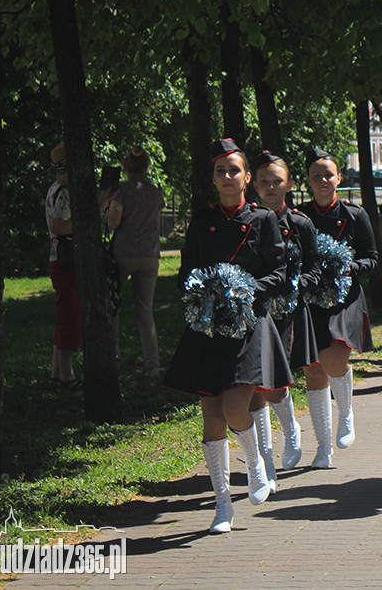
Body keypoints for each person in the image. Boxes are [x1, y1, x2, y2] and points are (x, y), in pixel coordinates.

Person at [162, 138, 292, 533]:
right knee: (212, 416)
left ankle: (254, 463)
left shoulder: (263, 220)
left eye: (234, 170)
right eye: (220, 171)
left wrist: (246, 289)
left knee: (238, 404)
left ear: (247, 177)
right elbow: (187, 271)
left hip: (250, 322)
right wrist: (201, 292)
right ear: (213, 178)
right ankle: (222, 506)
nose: (228, 177)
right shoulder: (202, 221)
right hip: (209, 325)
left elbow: (280, 273)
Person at [247, 151, 322, 486]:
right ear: (254, 185)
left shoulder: (301, 223)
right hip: (257, 310)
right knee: (256, 385)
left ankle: (290, 426)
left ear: (290, 184)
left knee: (277, 380)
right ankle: (265, 463)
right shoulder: (248, 220)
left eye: (277, 181)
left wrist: (295, 287)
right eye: (264, 182)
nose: (271, 187)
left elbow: (314, 268)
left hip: (289, 310)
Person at [299, 148, 378, 464]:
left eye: (328, 175)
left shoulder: (354, 214)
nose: (322, 181)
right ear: (307, 181)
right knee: (313, 370)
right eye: (316, 176)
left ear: (339, 178)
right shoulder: (299, 216)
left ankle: (345, 412)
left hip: (345, 297)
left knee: (333, 357)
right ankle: (322, 447)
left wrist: (346, 267)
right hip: (309, 299)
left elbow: (371, 258)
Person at [105, 147, 165, 376]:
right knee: (145, 311)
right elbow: (158, 226)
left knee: (114, 306)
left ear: (125, 167)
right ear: (147, 168)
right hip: (150, 256)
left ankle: (113, 356)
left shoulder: (120, 192)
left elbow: (112, 223)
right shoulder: (155, 193)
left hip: (123, 254)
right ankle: (152, 364)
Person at [45, 142, 83, 390]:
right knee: (71, 317)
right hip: (66, 259)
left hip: (57, 259)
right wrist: (81, 224)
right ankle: (66, 374)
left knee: (64, 315)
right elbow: (57, 226)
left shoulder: (54, 189)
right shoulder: (66, 192)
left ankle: (56, 371)